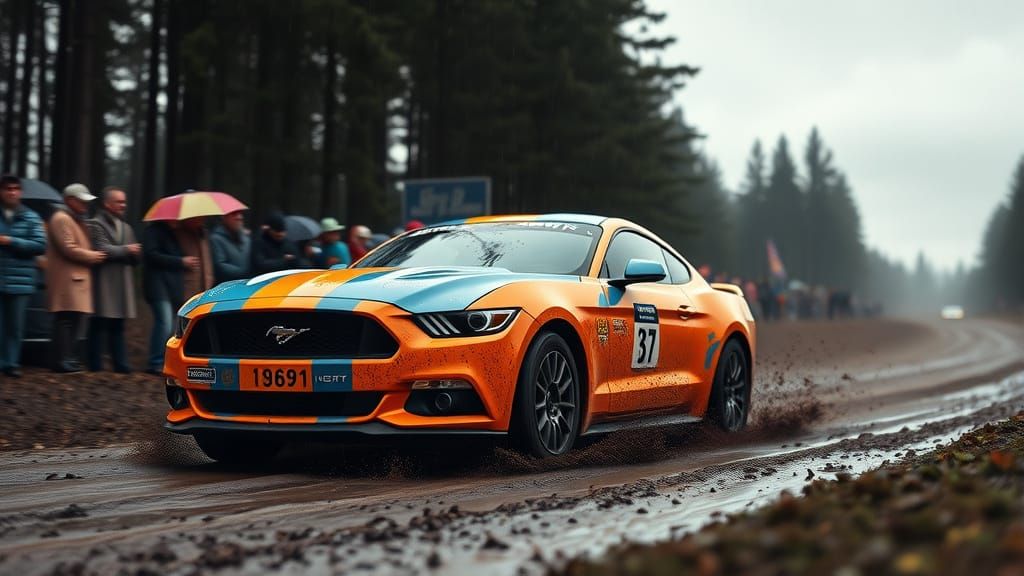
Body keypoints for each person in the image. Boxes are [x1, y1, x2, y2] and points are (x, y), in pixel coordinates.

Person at [47, 183, 105, 373]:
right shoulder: (61, 218)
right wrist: (92, 256)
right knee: (65, 319)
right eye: (81, 201)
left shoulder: (75, 218)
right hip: (68, 278)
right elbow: (68, 248)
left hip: (75, 278)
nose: (85, 205)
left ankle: (68, 358)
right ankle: (61, 360)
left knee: (73, 320)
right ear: (69, 200)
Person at [86, 187, 141, 373]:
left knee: (118, 325)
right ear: (107, 204)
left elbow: (134, 256)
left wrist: (135, 255)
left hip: (122, 283)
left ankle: (121, 364)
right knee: (99, 324)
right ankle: (95, 364)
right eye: (119, 202)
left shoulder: (126, 227)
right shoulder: (95, 224)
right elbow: (102, 248)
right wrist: (128, 250)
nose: (123, 205)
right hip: (103, 282)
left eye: (124, 202)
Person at [0, 174, 46, 378]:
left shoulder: (31, 217)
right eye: (8, 189)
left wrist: (11, 241)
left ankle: (11, 363)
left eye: (15, 189)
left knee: (16, 327)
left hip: (21, 281)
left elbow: (39, 245)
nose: (12, 192)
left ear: (20, 192)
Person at [143, 220, 193, 375]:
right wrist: (180, 261)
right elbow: (152, 255)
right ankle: (155, 362)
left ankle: (164, 360)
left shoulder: (174, 233)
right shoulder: (152, 232)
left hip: (171, 287)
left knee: (170, 325)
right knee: (164, 322)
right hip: (157, 285)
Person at [174, 216, 214, 300]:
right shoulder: (179, 234)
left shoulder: (203, 233)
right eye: (198, 217)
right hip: (187, 288)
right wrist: (183, 261)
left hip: (205, 286)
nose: (202, 218)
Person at [210, 209, 250, 283]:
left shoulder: (246, 238)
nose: (239, 217)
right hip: (228, 287)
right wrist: (246, 272)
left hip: (248, 285)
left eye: (240, 213)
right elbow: (220, 266)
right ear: (224, 217)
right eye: (234, 214)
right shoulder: (216, 239)